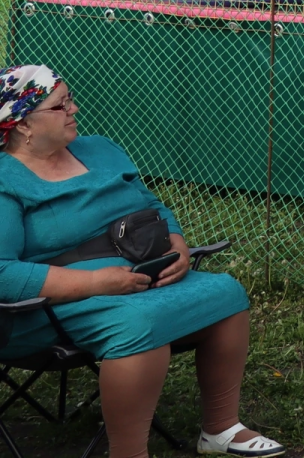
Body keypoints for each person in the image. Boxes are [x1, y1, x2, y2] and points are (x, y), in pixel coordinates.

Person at [0, 67, 283, 457]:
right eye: (60, 105)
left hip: (139, 277)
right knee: (137, 324)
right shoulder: (5, 180)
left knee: (225, 293)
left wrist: (179, 246)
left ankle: (220, 429)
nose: (74, 108)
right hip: (44, 309)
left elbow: (151, 205)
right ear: (22, 125)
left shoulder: (97, 148)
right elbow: (3, 274)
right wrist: (97, 283)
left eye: (70, 99)